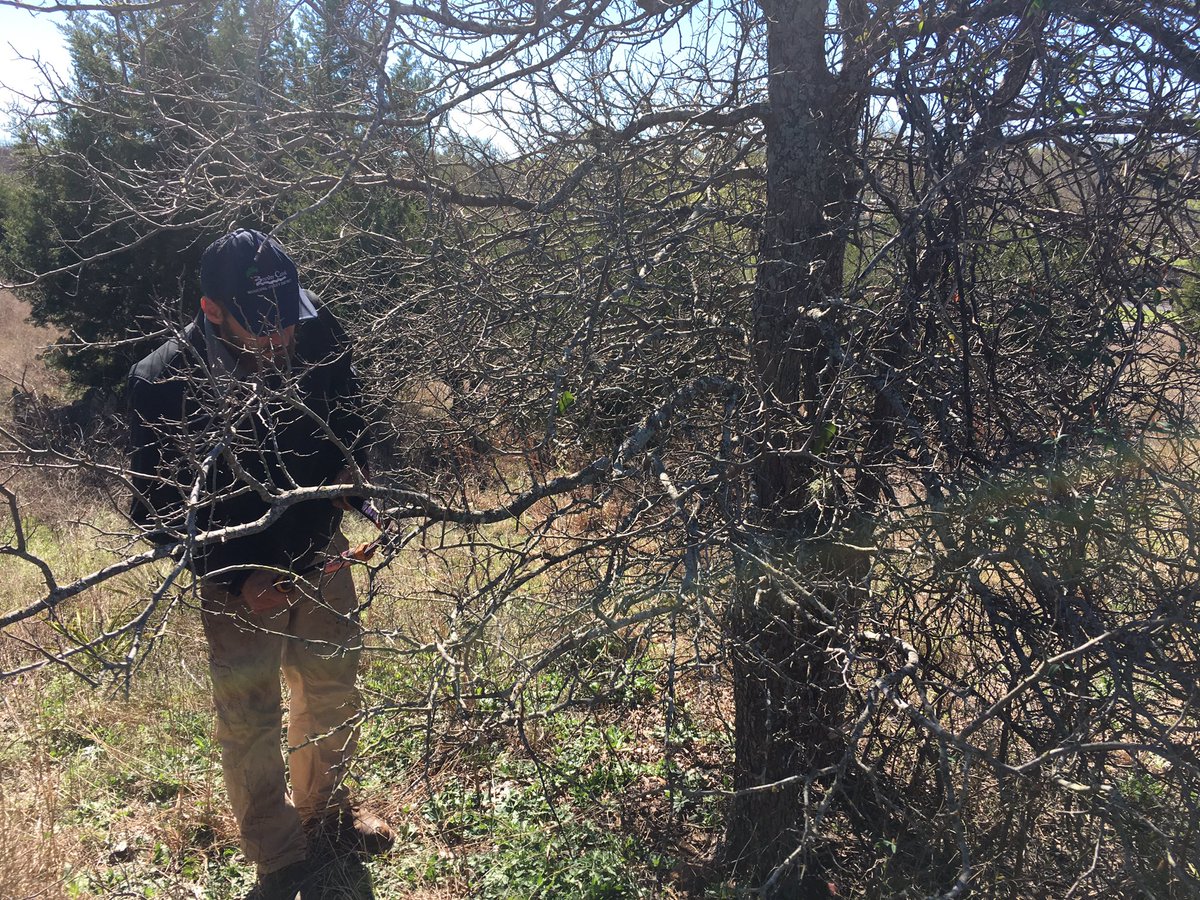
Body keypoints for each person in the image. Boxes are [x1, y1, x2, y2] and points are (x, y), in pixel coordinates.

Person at [126, 228, 393, 899]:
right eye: (261, 326)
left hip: (320, 544)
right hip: (234, 573)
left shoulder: (317, 331)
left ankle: (326, 815)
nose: (282, 340)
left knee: (334, 687)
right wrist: (238, 577)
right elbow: (158, 509)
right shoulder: (161, 382)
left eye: (288, 320)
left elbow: (351, 419)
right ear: (213, 310)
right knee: (249, 715)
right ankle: (277, 856)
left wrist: (357, 475)